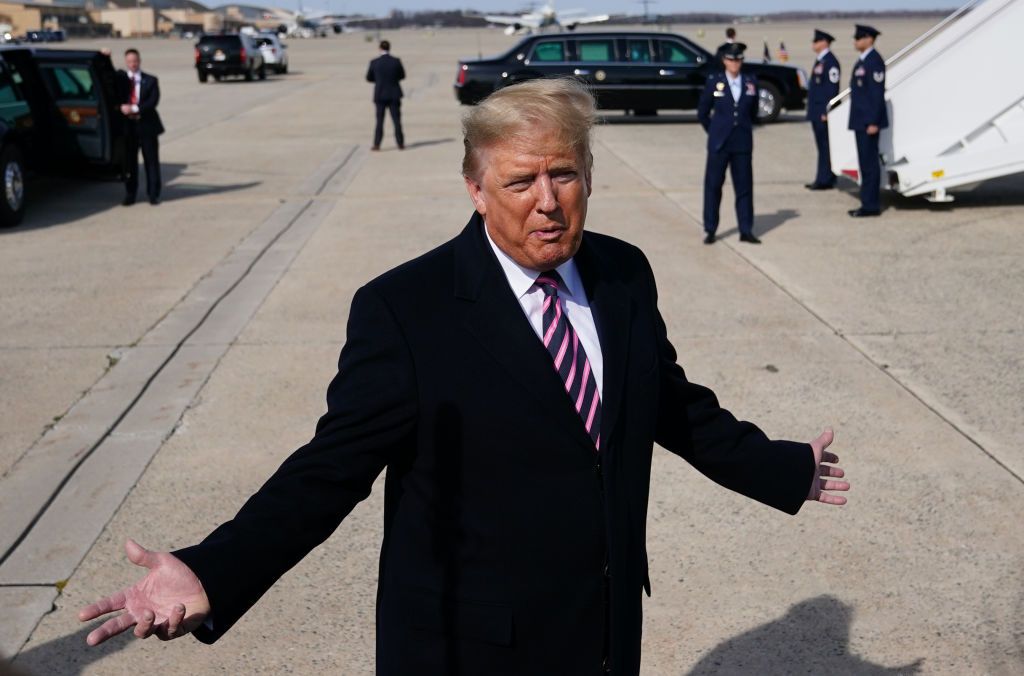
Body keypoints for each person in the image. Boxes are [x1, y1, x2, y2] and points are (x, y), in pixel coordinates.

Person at [78, 78, 849, 675]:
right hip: (471, 650)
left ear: (589, 176)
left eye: (565, 175)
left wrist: (781, 468)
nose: (547, 203)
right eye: (520, 182)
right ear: (476, 191)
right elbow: (327, 472)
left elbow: (670, 405)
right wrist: (211, 570)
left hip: (605, 632)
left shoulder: (621, 273)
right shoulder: (406, 311)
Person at [697, 43, 761, 245]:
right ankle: (710, 229)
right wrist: (715, 132)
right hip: (719, 144)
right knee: (713, 187)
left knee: (744, 188)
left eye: (738, 59)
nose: (735, 63)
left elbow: (753, 112)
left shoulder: (751, 82)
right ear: (724, 60)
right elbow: (703, 113)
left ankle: (746, 229)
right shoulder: (714, 82)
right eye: (731, 59)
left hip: (742, 143)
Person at [847, 24, 887, 217]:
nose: (856, 41)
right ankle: (867, 202)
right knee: (864, 163)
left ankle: (871, 205)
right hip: (860, 120)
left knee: (870, 164)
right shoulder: (863, 61)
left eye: (859, 38)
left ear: (869, 39)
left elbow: (876, 94)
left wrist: (873, 121)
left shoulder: (874, 61)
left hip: (868, 122)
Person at [117, 48, 164, 206]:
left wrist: (135, 108)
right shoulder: (121, 79)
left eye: (135, 61)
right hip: (128, 128)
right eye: (129, 61)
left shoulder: (151, 80)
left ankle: (153, 194)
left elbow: (153, 101)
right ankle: (130, 194)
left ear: (139, 61)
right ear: (126, 62)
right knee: (130, 162)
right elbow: (108, 81)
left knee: (151, 161)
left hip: (147, 126)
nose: (133, 64)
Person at [805, 29, 841, 191]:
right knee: (822, 146)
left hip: (822, 113)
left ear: (825, 43)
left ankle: (824, 179)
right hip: (816, 110)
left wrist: (827, 111)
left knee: (825, 146)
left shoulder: (830, 62)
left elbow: (832, 89)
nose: (814, 44)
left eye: (817, 41)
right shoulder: (821, 61)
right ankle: (824, 176)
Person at [366, 40, 405, 151]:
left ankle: (377, 144)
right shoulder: (396, 61)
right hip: (394, 94)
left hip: (380, 94)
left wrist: (379, 80)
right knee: (396, 121)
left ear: (380, 48)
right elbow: (402, 75)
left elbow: (369, 78)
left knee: (379, 121)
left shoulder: (374, 62)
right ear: (389, 48)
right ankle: (400, 143)